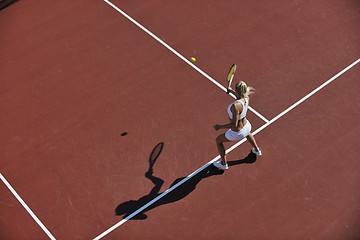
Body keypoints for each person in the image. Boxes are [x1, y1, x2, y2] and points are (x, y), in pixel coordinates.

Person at [213, 81, 262, 170]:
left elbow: (234, 125)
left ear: (237, 90)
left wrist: (219, 126)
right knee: (248, 133)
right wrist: (231, 91)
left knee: (218, 141)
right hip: (247, 126)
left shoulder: (235, 106)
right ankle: (257, 150)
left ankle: (224, 164)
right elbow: (239, 97)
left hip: (237, 133)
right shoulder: (246, 98)